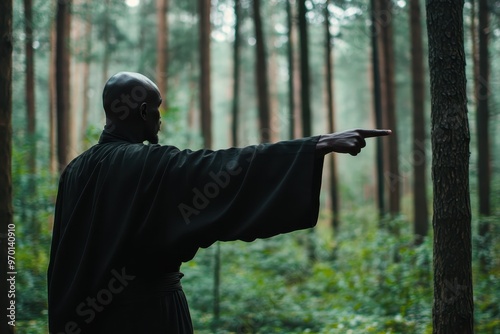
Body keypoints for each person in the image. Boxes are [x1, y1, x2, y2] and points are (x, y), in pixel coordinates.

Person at [47, 72, 391, 334]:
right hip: (148, 319)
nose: (159, 119)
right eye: (157, 110)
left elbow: (63, 257)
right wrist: (316, 145)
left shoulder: (74, 171)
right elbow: (223, 168)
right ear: (142, 111)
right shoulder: (149, 164)